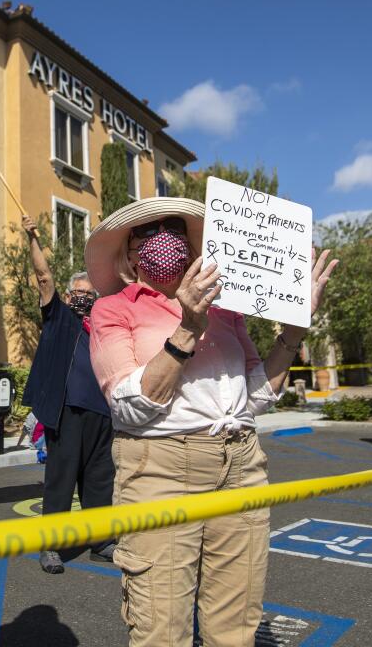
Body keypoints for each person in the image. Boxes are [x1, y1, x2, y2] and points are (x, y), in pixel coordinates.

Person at [86, 197, 337, 647]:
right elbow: (128, 408)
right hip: (161, 470)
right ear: (128, 254)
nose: (165, 237)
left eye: (174, 227)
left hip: (240, 463)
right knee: (160, 627)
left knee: (236, 623)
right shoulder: (112, 309)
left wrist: (295, 330)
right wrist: (187, 327)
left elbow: (256, 394)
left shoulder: (227, 309)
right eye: (149, 231)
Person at [19, 214, 115, 574]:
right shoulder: (59, 317)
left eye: (90, 294)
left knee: (100, 481)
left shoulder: (105, 326)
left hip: (103, 414)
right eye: (78, 292)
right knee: (60, 479)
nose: (83, 298)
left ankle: (102, 541)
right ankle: (52, 547)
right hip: (67, 411)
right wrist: (32, 238)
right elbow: (44, 277)